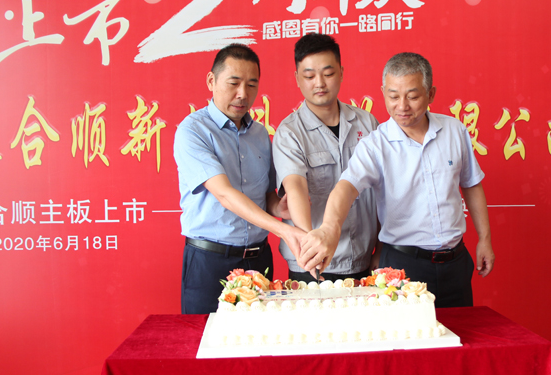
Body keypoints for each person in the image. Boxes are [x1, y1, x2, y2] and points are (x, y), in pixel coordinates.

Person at [298, 52, 495, 308]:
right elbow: (346, 188)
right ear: (383, 92)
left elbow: (471, 184)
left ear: (430, 94)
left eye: (412, 96)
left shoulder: (454, 131)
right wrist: (328, 228)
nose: (402, 106)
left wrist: (485, 238)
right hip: (403, 268)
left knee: (461, 331)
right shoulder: (375, 145)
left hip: (456, 262)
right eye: (393, 96)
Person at [174, 44, 306, 314]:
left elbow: (266, 195)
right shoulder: (193, 130)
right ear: (211, 81)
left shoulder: (260, 134)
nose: (243, 94)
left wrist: (279, 208)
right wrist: (283, 230)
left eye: (252, 85)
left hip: (259, 260)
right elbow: (224, 194)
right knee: (206, 336)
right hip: (210, 261)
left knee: (259, 338)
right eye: (233, 83)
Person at [272, 33, 379, 282]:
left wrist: (381, 249)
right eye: (309, 76)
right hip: (311, 263)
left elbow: (384, 190)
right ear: (297, 79)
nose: (319, 83)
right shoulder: (290, 132)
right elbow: (295, 189)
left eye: (328, 74)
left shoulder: (367, 123)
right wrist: (312, 248)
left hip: (362, 258)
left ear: (341, 72)